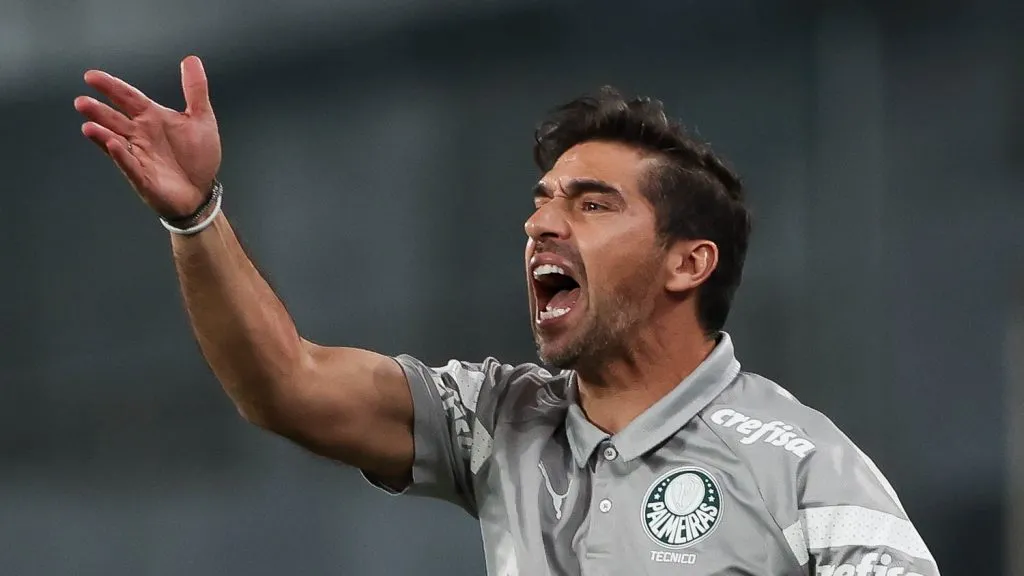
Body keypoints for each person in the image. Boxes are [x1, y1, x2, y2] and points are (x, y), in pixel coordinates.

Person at [74, 55, 940, 576]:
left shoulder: (803, 467)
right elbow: (286, 383)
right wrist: (196, 216)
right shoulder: (499, 419)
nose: (541, 224)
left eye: (593, 204)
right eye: (542, 201)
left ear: (689, 261)